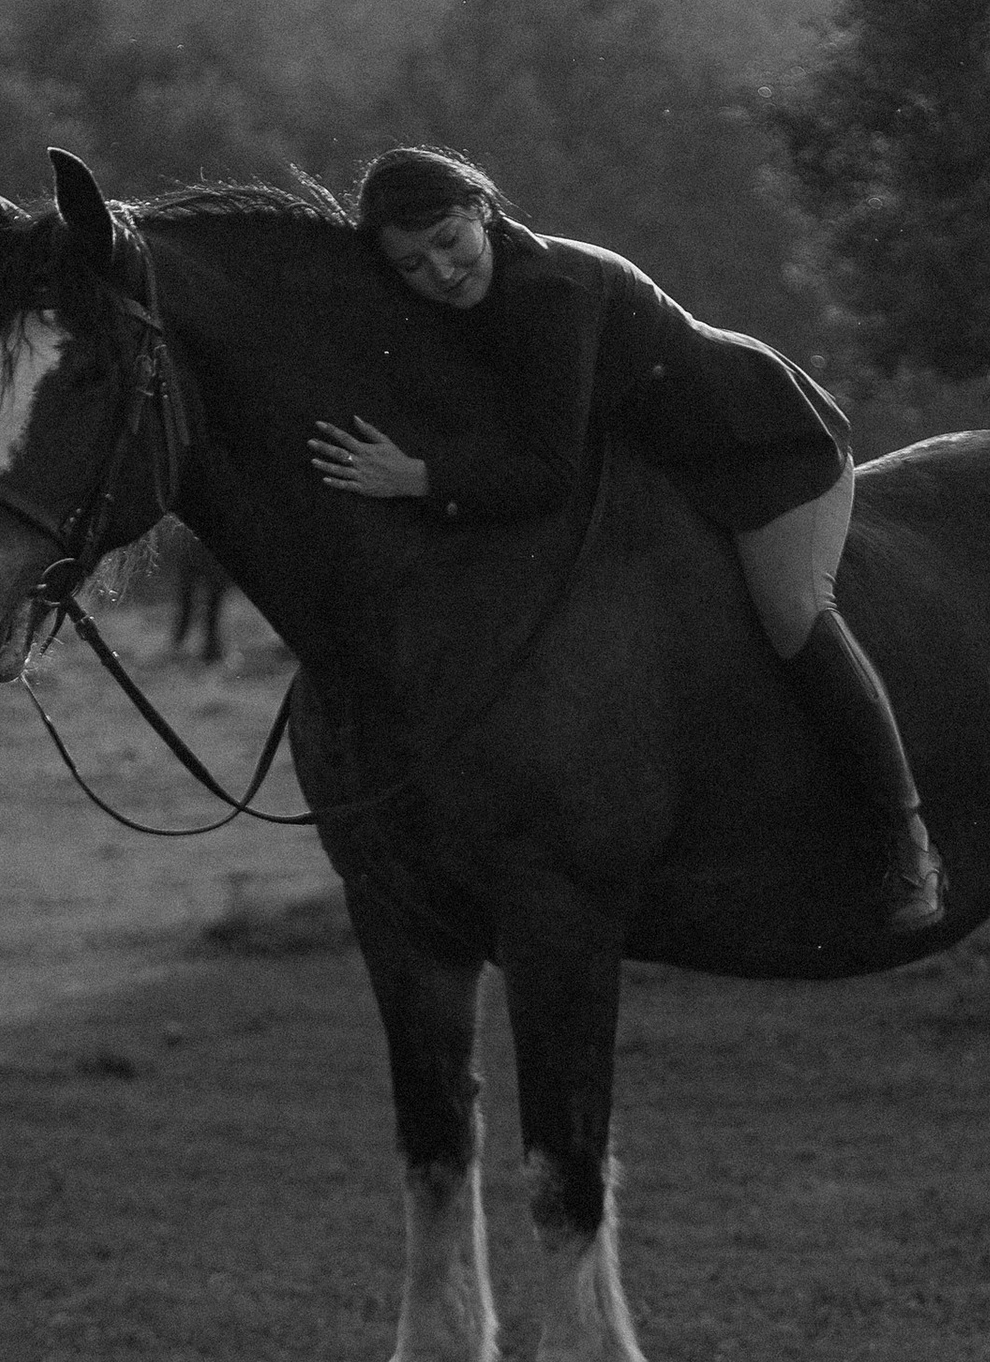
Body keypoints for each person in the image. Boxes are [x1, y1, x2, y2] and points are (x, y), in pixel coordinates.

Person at [310, 145, 941, 929]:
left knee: (793, 613)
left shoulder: (550, 291)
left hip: (764, 446)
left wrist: (417, 480)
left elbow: (544, 474)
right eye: (410, 264)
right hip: (664, 466)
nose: (439, 271)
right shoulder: (464, 301)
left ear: (482, 208)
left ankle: (904, 835)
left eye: (448, 239)